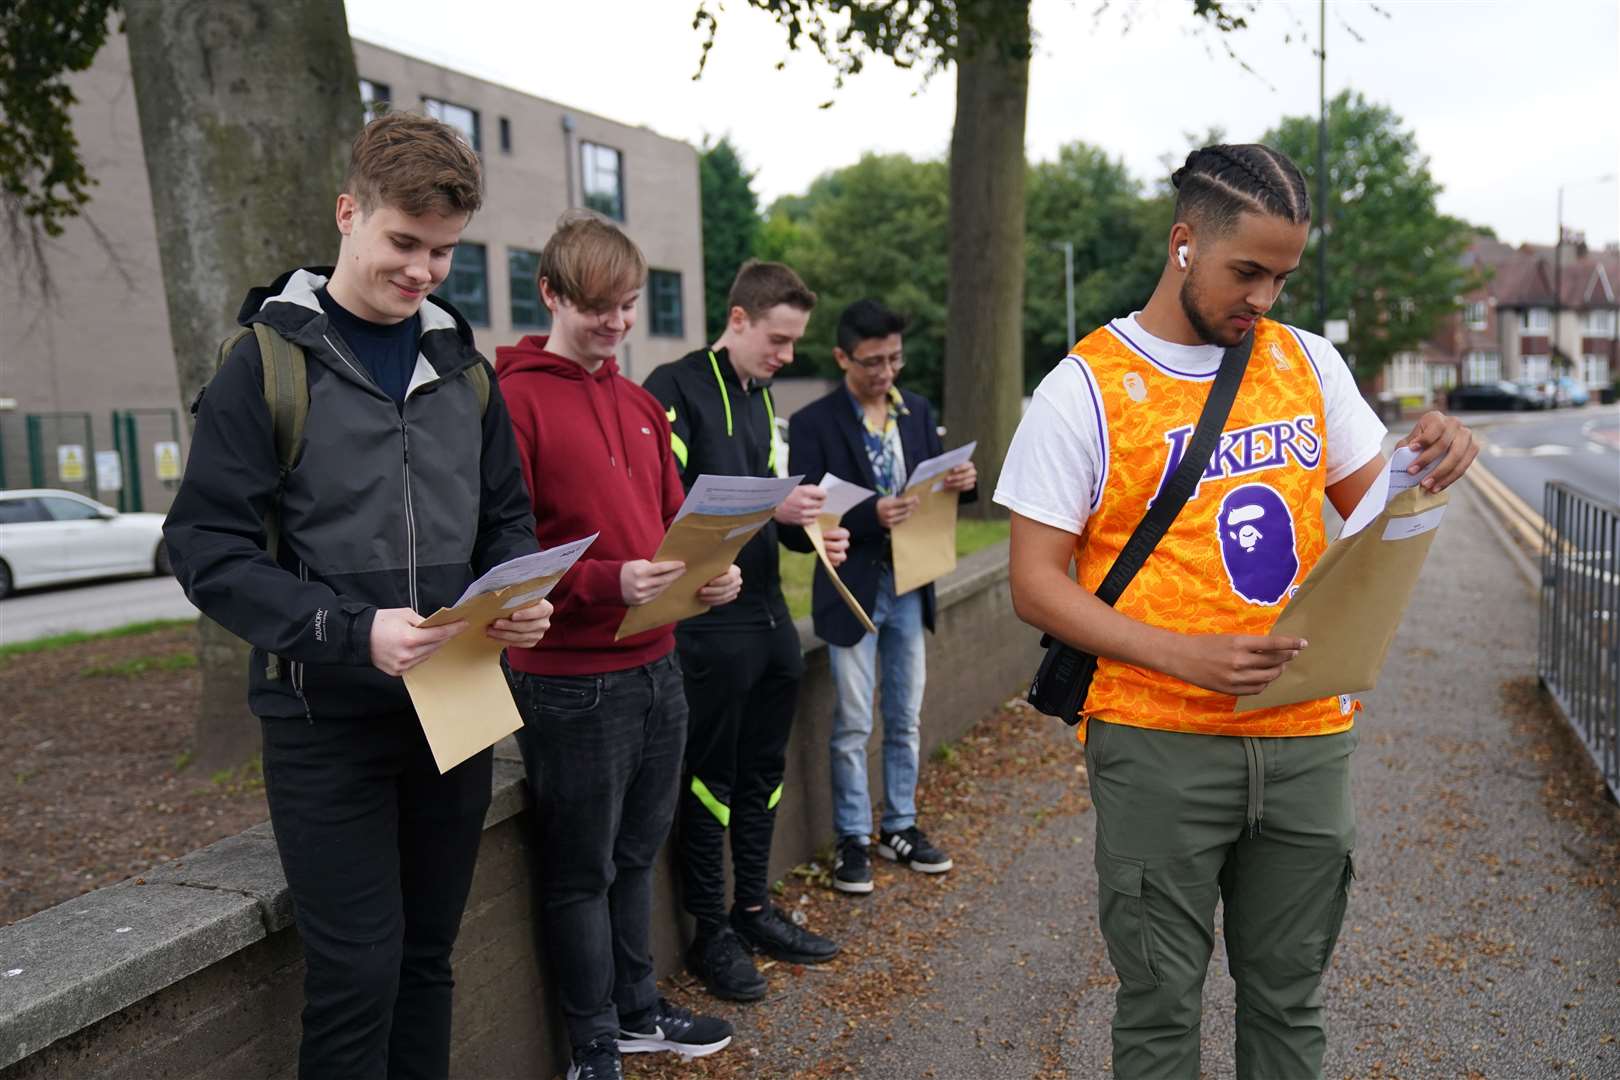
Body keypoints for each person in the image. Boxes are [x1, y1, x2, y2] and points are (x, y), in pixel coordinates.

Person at [996, 143, 1478, 1079]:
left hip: (1306, 734)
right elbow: (1034, 584)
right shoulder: (1084, 389)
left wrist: (1431, 466)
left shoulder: (1307, 363)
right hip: (1157, 739)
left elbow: (1373, 523)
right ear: (1184, 244)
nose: (1264, 298)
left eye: (1282, 277)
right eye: (1246, 271)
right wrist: (1183, 656)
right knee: (1160, 1010)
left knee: (1290, 1005)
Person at [163, 111, 552, 1080]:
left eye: (445, 252)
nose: (423, 271)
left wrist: (518, 593)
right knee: (357, 974)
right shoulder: (265, 363)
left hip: (455, 705)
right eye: (404, 243)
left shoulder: (463, 368)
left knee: (428, 963)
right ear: (349, 212)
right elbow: (202, 548)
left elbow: (507, 518)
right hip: (323, 719)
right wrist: (347, 630)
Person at [496, 210, 739, 1080]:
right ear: (552, 294)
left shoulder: (640, 404)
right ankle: (591, 1041)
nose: (617, 325)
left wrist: (710, 574)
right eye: (599, 307)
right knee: (579, 871)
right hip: (567, 682)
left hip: (656, 665)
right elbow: (505, 552)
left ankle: (637, 1010)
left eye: (628, 305)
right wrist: (606, 583)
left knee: (637, 856)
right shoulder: (513, 400)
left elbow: (674, 528)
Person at [642, 260, 847, 1002]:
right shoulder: (673, 388)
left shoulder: (761, 400)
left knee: (763, 776)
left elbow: (770, 515)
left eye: (795, 343)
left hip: (768, 625)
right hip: (707, 631)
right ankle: (709, 932)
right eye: (780, 339)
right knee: (709, 785)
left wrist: (813, 533)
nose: (788, 356)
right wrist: (775, 509)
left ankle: (753, 908)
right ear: (738, 320)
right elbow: (670, 516)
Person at [786, 299, 977, 895]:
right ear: (843, 357)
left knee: (905, 717)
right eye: (872, 362)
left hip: (912, 584)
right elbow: (801, 522)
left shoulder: (916, 409)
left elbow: (931, 493)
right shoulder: (814, 422)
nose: (886, 372)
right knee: (851, 722)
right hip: (850, 591)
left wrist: (962, 487)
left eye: (894, 358)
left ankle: (899, 825)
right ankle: (851, 838)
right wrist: (873, 512)